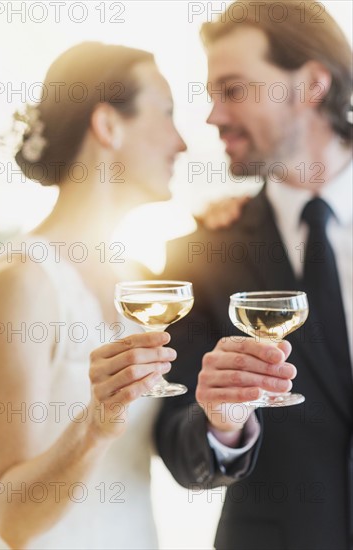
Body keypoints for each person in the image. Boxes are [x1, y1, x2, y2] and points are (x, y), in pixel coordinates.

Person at [155, 2, 353, 549]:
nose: (213, 116)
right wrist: (223, 422)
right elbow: (176, 441)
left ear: (312, 84)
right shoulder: (201, 254)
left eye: (234, 89)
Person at [0, 41, 189, 550]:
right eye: (165, 114)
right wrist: (96, 425)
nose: (181, 142)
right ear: (109, 126)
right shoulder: (21, 282)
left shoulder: (142, 279)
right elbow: (12, 521)